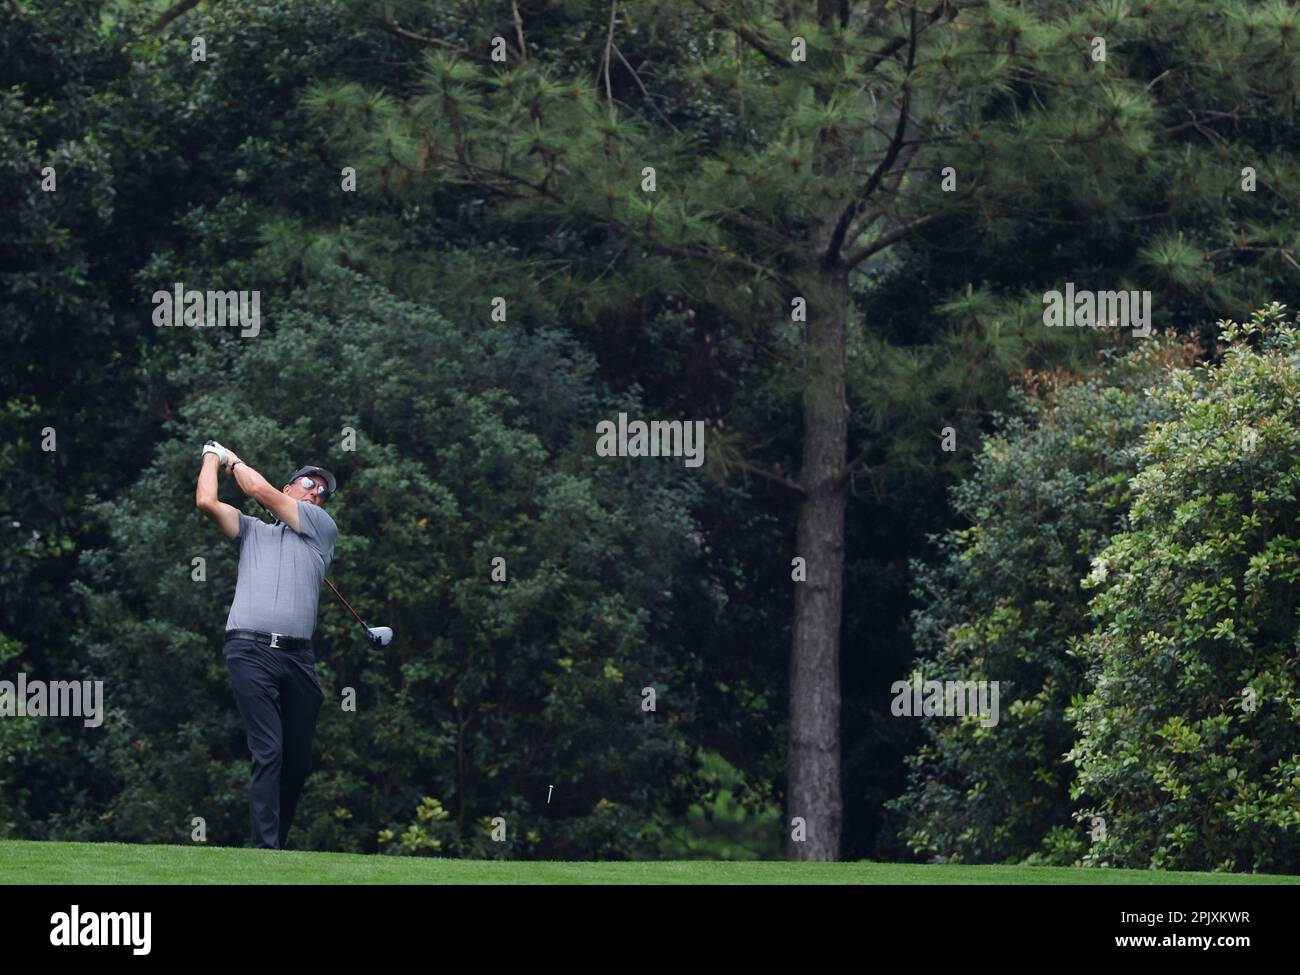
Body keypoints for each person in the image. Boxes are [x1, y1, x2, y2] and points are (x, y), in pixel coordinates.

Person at [194, 441, 338, 850]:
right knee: (269, 751)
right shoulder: (252, 531)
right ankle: (265, 851)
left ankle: (276, 844)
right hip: (249, 651)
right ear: (289, 486)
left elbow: (259, 491)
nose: (316, 493)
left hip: (298, 659)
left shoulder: (320, 529)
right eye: (309, 484)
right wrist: (209, 456)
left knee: (296, 763)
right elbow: (207, 500)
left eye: (322, 492)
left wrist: (231, 458)